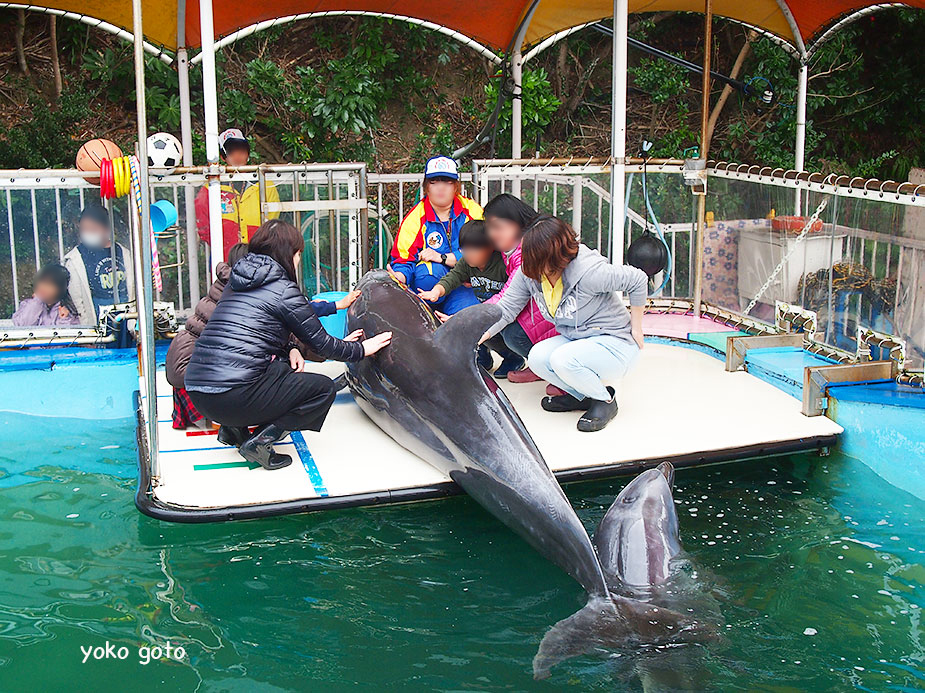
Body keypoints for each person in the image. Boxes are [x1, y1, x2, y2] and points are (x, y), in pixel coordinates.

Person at [184, 220, 391, 470]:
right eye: (298, 254)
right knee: (322, 389)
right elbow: (322, 344)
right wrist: (362, 350)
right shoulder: (282, 289)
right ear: (289, 254)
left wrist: (290, 348)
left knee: (281, 369)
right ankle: (260, 442)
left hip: (199, 391)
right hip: (231, 396)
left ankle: (233, 430)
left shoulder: (236, 283)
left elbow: (257, 334)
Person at [166, 243, 361, 430]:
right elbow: (291, 318)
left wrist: (296, 347)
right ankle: (248, 433)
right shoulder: (242, 292)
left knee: (268, 363)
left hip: (193, 367)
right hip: (192, 370)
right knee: (258, 373)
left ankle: (233, 428)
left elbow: (283, 323)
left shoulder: (231, 287)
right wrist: (340, 346)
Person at [483, 215, 648, 433]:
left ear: (556, 255)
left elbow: (638, 279)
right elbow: (506, 309)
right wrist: (477, 336)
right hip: (578, 338)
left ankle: (605, 400)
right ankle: (580, 396)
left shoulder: (589, 273)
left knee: (563, 360)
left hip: (616, 341)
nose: (533, 269)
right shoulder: (530, 272)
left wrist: (636, 326)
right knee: (537, 357)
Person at [416, 219, 525, 376]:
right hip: (488, 309)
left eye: (474, 250)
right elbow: (452, 277)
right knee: (478, 324)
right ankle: (483, 358)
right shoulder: (467, 263)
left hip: (508, 313)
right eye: (464, 250)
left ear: (490, 247)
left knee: (489, 328)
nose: (469, 255)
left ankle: (513, 358)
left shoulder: (502, 263)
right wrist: (436, 291)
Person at [389, 155, 483, 314]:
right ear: (426, 186)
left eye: (447, 181)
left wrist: (444, 257)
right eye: (434, 181)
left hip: (463, 284)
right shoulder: (414, 219)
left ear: (456, 187)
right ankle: (427, 315)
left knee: (468, 315)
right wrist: (399, 277)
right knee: (427, 274)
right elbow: (403, 260)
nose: (441, 187)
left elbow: (485, 250)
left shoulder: (472, 211)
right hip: (425, 291)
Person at [482, 194, 558, 384]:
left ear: (518, 223)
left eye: (498, 227)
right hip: (540, 308)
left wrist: (472, 316)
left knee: (513, 335)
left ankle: (544, 368)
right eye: (490, 228)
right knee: (495, 324)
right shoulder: (511, 250)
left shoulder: (528, 251)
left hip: (555, 314)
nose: (492, 234)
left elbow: (508, 297)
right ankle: (537, 365)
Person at [195, 128, 280, 260]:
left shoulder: (265, 184)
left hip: (259, 255)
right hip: (225, 257)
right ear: (223, 157)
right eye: (231, 152)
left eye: (241, 151)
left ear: (248, 154)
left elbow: (272, 223)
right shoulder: (211, 188)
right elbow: (203, 226)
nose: (237, 156)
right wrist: (223, 244)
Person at [63, 204, 134, 324]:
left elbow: (133, 289)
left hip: (125, 315)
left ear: (106, 229)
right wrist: (87, 329)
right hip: (97, 314)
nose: (88, 233)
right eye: (84, 230)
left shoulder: (124, 253)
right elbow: (78, 300)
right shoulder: (75, 259)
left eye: (93, 230)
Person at [12, 263, 80, 327]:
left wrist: (64, 319)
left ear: (60, 289)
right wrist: (36, 302)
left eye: (49, 284)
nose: (43, 287)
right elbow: (22, 325)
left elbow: (69, 335)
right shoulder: (27, 304)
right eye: (42, 282)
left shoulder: (67, 308)